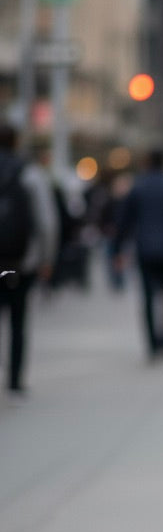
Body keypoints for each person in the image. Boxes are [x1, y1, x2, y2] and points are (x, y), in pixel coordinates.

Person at [113, 149, 163, 360]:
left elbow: (124, 222)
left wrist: (117, 249)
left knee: (148, 298)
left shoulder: (137, 187)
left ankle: (152, 344)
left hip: (145, 248)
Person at [0, 124, 59, 397]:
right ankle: (14, 378)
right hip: (19, 260)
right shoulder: (29, 173)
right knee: (18, 319)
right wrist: (47, 258)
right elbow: (46, 222)